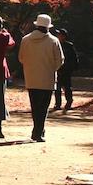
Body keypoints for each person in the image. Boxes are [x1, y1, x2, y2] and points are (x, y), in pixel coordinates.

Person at [18, 14, 64, 142]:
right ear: (48, 27)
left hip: (31, 78)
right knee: (43, 107)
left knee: (35, 106)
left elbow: (21, 58)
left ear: (36, 25)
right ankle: (39, 131)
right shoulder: (53, 41)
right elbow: (60, 60)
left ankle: (37, 130)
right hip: (47, 79)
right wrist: (51, 69)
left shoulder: (26, 39)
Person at [53, 28, 79, 111]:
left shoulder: (69, 46)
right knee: (57, 88)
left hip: (66, 70)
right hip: (57, 69)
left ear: (64, 36)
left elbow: (74, 58)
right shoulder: (55, 45)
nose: (58, 36)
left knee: (67, 87)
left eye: (60, 34)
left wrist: (71, 68)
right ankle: (58, 104)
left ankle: (69, 102)